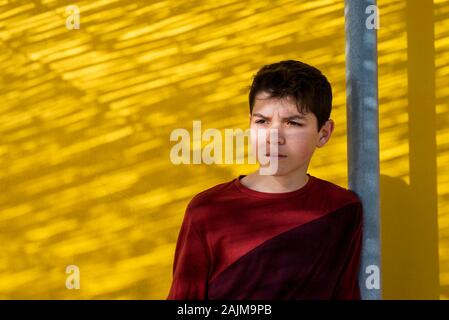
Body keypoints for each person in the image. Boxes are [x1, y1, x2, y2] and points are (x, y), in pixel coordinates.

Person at [167, 60, 363, 300]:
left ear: (324, 133)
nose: (274, 137)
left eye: (293, 123)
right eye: (262, 121)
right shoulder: (207, 211)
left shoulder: (343, 210)